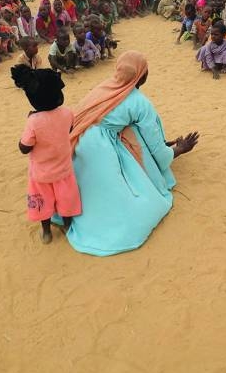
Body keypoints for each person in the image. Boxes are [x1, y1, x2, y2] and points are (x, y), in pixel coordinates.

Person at [61, 51, 199, 256]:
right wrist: (178, 150)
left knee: (129, 131)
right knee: (138, 204)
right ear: (142, 75)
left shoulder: (103, 88)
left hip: (75, 147)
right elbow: (154, 146)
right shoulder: (139, 102)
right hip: (101, 151)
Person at [11, 65, 81, 245]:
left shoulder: (33, 121)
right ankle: (68, 226)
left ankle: (47, 232)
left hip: (41, 173)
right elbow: (70, 129)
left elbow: (25, 147)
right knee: (66, 198)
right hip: (64, 168)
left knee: (43, 201)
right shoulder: (67, 112)